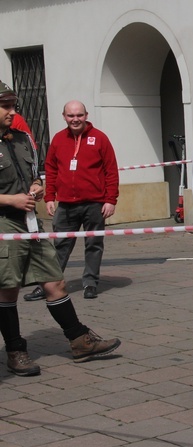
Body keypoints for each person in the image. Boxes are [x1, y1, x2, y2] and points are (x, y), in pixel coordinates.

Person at [0, 80, 120, 376]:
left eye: (13, 105)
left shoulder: (21, 139)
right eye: (5, 106)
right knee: (7, 291)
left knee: (55, 282)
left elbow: (36, 173)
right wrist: (10, 199)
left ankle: (80, 341)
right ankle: (15, 351)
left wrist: (37, 186)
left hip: (30, 223)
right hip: (4, 223)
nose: (12, 111)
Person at [23, 101, 119, 302]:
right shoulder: (58, 139)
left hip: (94, 203)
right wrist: (50, 197)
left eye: (79, 115)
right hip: (66, 204)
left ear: (86, 115)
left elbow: (111, 170)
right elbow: (51, 169)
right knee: (59, 245)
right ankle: (50, 285)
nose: (75, 119)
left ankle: (90, 282)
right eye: (70, 116)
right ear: (64, 116)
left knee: (94, 244)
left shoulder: (100, 138)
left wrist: (110, 200)